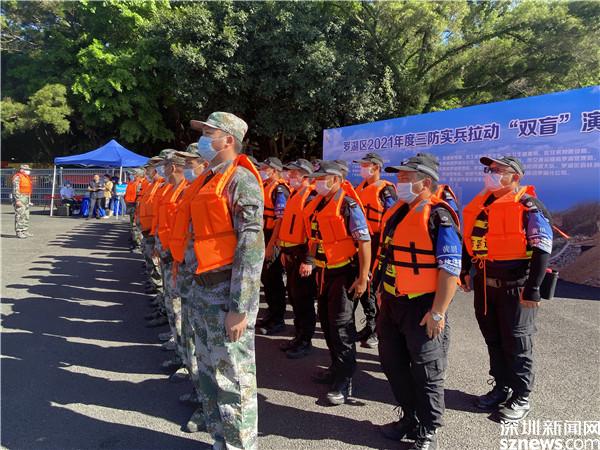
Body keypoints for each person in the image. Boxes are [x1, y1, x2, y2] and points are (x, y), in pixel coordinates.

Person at [373, 153, 462, 450]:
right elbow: (388, 255)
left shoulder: (439, 216)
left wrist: (438, 312)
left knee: (427, 371)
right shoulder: (398, 212)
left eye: (406, 178)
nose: (399, 182)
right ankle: (410, 418)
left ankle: (429, 430)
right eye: (399, 176)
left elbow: (450, 268)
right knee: (393, 364)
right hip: (392, 304)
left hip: (422, 307)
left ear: (425, 182)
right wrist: (380, 290)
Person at [188, 111, 264, 450]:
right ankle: (220, 441)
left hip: (226, 294)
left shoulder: (241, 180)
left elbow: (251, 248)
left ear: (228, 140)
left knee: (234, 378)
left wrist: (239, 307)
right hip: (202, 290)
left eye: (209, 133)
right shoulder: (208, 179)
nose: (204, 139)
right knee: (209, 375)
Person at [461, 156, 553, 422]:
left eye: (498, 170)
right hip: (485, 285)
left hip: (516, 286)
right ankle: (501, 387)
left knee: (517, 342)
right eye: (489, 169)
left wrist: (533, 288)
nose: (491, 173)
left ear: (515, 176)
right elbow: (471, 240)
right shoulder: (482, 205)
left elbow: (542, 246)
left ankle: (522, 396)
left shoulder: (528, 205)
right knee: (493, 339)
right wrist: (466, 271)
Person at [303, 160, 371, 406]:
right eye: (317, 178)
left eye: (323, 178)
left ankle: (345, 379)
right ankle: (335, 367)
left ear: (337, 180)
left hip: (344, 274)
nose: (319, 183)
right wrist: (310, 261)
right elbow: (315, 238)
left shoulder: (348, 205)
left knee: (342, 328)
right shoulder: (318, 204)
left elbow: (364, 241)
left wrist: (363, 277)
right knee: (327, 324)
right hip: (323, 273)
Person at [168, 145, 210, 433]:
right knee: (192, 337)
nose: (183, 168)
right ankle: (200, 394)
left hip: (208, 281)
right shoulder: (193, 190)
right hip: (187, 271)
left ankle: (209, 407)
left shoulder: (224, 188)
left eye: (190, 162)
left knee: (205, 347)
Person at [273, 159, 318, 358]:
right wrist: (284, 251)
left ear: (306, 175)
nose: (290, 176)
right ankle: (298, 336)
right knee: (294, 298)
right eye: (290, 172)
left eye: (295, 173)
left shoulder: (310, 198)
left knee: (304, 300)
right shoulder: (294, 194)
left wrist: (308, 260)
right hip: (291, 254)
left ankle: (305, 340)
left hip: (302, 256)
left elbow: (314, 233)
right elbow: (288, 227)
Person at [353, 152, 397, 348]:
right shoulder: (359, 188)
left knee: (372, 287)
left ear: (376, 167)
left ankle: (376, 330)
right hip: (360, 241)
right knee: (363, 286)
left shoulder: (386, 190)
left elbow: (392, 218)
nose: (362, 168)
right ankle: (370, 325)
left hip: (376, 242)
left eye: (365, 165)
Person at [257, 156, 290, 335]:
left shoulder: (279, 190)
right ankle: (271, 313)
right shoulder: (265, 186)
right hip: (263, 235)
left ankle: (278, 319)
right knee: (266, 278)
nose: (262, 170)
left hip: (273, 238)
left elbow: (280, 221)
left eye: (265, 168)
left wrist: (270, 245)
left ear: (275, 171)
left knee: (273, 279)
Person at [12, 164, 33, 239]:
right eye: (27, 170)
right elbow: (16, 190)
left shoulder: (27, 177)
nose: (29, 171)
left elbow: (28, 190)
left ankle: (25, 230)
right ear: (21, 170)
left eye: (29, 170)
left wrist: (29, 200)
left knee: (26, 215)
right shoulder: (17, 177)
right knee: (20, 215)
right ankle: (19, 231)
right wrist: (17, 200)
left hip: (26, 197)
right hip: (20, 197)